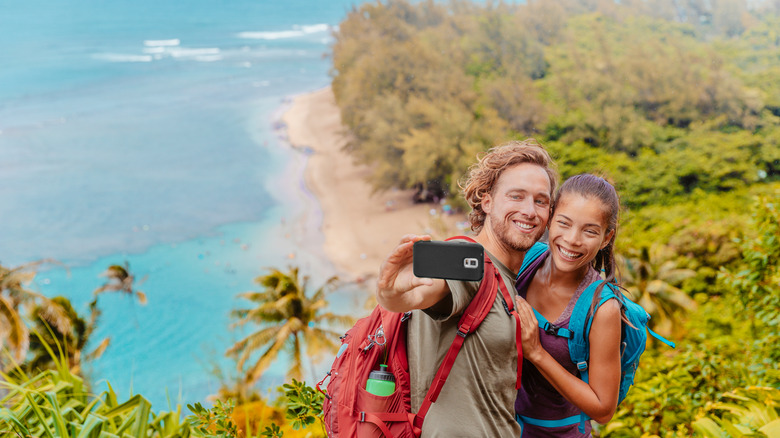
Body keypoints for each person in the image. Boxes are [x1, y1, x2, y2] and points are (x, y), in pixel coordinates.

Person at [376, 139, 558, 437]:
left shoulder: (511, 278)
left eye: (541, 201)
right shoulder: (467, 259)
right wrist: (392, 293)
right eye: (516, 196)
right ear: (487, 201)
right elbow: (420, 293)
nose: (530, 211)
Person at [513, 174, 624, 437]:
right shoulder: (525, 260)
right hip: (503, 423)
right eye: (564, 223)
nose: (573, 239)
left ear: (606, 238)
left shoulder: (602, 309)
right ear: (550, 219)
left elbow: (603, 410)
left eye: (590, 231)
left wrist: (537, 352)